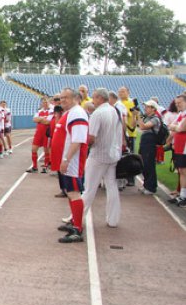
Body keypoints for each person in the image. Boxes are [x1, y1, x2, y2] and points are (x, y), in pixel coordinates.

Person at [75, 88, 124, 228]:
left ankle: (76, 218)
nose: (92, 100)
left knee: (89, 189)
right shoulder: (113, 110)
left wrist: (82, 145)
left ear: (99, 98)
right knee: (112, 186)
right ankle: (113, 219)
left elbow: (91, 137)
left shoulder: (98, 114)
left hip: (98, 155)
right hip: (112, 154)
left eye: (94, 98)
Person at [52, 88, 89, 244]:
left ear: (75, 98)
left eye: (65, 98)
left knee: (74, 192)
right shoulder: (70, 113)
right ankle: (75, 222)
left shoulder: (78, 113)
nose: (62, 101)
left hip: (72, 162)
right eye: (61, 98)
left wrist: (67, 159)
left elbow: (78, 140)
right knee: (70, 191)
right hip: (68, 160)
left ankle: (78, 229)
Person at [137, 100, 162, 195]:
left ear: (153, 108)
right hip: (145, 142)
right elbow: (137, 125)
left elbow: (143, 127)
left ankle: (151, 187)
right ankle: (146, 184)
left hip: (150, 143)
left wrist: (139, 116)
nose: (145, 108)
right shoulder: (148, 118)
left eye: (147, 107)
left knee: (149, 165)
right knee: (144, 164)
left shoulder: (155, 119)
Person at [168, 95, 186, 208]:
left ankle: (184, 196)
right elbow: (171, 126)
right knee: (181, 171)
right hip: (179, 147)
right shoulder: (181, 114)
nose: (177, 105)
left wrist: (175, 127)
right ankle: (182, 195)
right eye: (176, 103)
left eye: (179, 103)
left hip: (184, 147)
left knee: (184, 171)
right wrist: (175, 126)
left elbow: (180, 128)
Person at [27, 97, 53, 173]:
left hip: (47, 133)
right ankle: (35, 167)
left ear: (49, 102)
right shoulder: (39, 111)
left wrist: (40, 119)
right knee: (34, 149)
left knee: (46, 150)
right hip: (38, 133)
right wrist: (43, 119)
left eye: (46, 102)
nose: (45, 103)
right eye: (43, 102)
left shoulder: (51, 111)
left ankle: (45, 167)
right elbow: (34, 119)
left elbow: (48, 122)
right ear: (41, 103)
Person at [118, 86, 137, 186]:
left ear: (128, 92)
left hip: (129, 134)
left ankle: (131, 179)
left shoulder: (131, 103)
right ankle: (122, 177)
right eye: (119, 92)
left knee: (130, 157)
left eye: (123, 91)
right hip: (120, 134)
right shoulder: (118, 103)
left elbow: (134, 118)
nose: (121, 93)